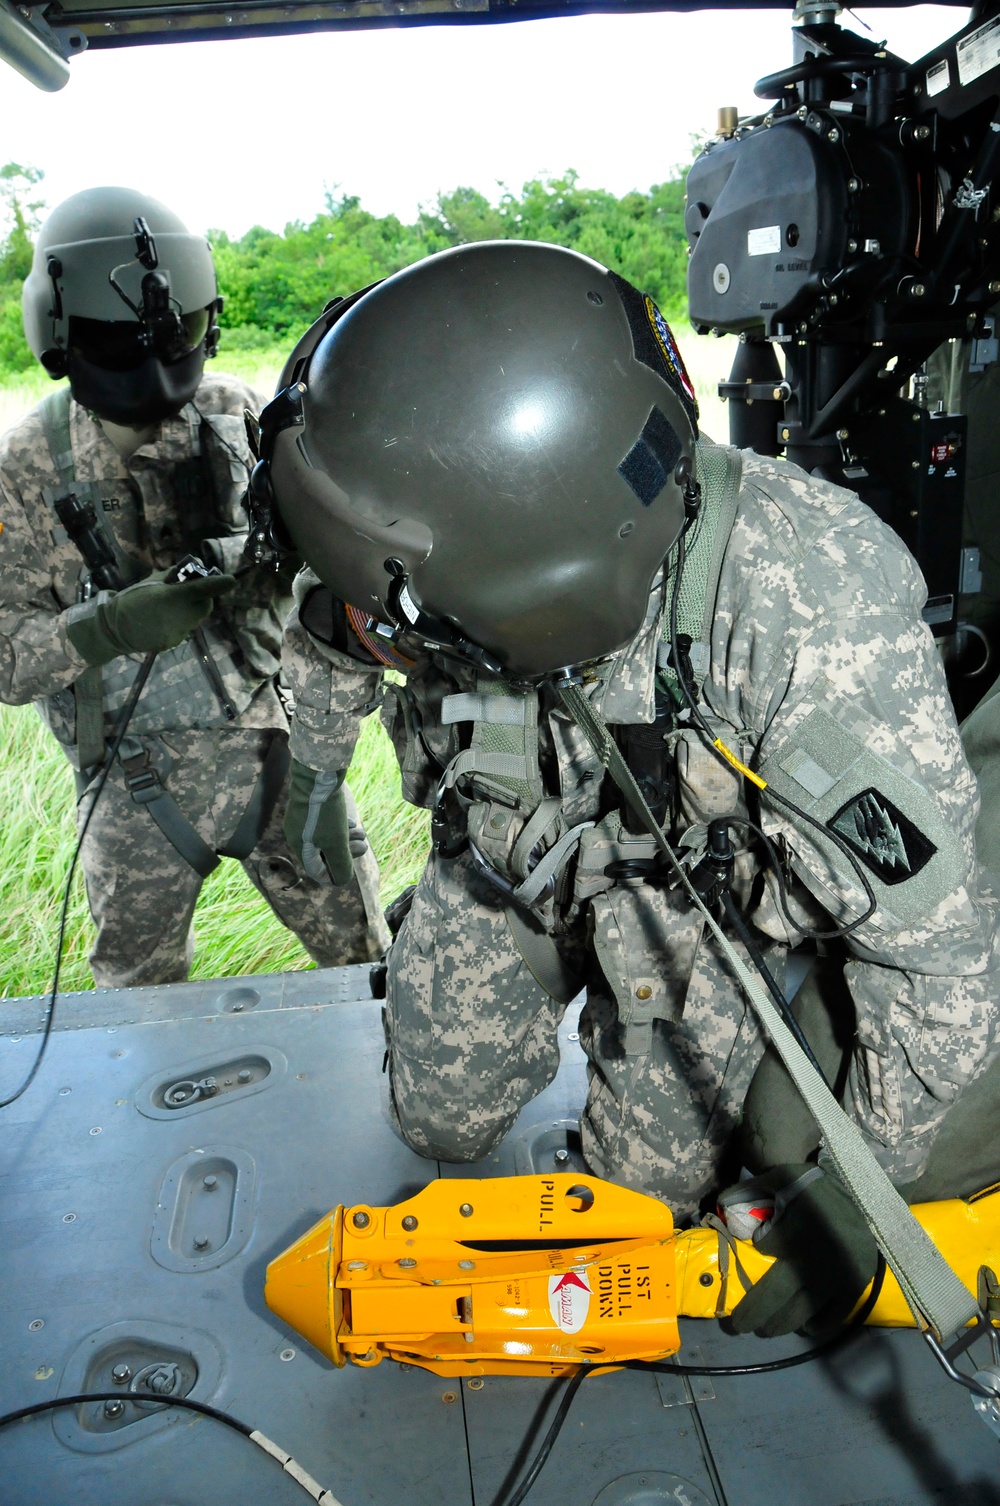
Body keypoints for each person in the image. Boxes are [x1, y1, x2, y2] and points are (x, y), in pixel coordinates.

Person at [262, 240, 1000, 1336]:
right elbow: (339, 624)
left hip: (688, 914)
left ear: (539, 602)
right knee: (439, 1120)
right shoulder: (432, 510)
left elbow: (940, 966)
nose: (384, 643)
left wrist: (862, 1200)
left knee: (639, 1210)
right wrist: (313, 785)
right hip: (509, 861)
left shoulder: (810, 616)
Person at [0, 186, 388, 989]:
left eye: (178, 335)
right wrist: (105, 627)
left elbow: (329, 561)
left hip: (277, 757)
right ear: (62, 336)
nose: (155, 363)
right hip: (133, 787)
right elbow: (6, 659)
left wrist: (256, 557)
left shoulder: (240, 418)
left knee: (371, 970)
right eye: (121, 343)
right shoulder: (24, 472)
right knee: (133, 1018)